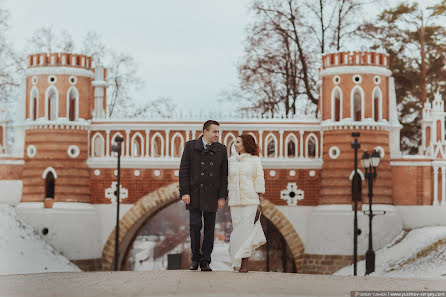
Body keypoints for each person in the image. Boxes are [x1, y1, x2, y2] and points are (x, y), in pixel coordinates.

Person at [179, 120, 228, 272]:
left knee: (209, 229)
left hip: (212, 195)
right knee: (195, 226)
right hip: (194, 194)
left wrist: (222, 197)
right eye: (214, 132)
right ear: (205, 132)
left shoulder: (221, 149)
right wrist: (185, 192)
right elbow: (184, 171)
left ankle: (205, 261)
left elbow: (223, 176)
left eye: (218, 132)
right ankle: (195, 259)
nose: (217, 135)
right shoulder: (190, 146)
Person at [228, 134, 266, 273]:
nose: (235, 144)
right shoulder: (231, 161)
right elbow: (227, 181)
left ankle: (245, 263)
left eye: (238, 142)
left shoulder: (255, 161)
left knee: (246, 232)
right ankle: (237, 260)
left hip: (250, 201)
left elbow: (259, 180)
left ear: (245, 144)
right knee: (237, 231)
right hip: (235, 202)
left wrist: (259, 200)